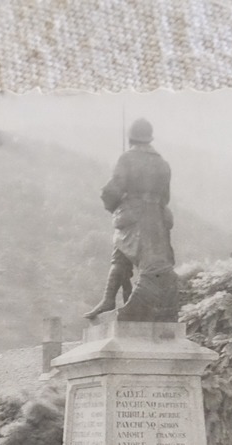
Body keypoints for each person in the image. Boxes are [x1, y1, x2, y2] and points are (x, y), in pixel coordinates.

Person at [83, 117, 175, 320]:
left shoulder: (127, 159)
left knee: (122, 256)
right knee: (129, 256)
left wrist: (111, 203)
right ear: (150, 138)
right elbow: (165, 196)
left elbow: (114, 188)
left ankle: (112, 299)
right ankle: (108, 300)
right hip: (157, 218)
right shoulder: (163, 164)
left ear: (131, 138)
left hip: (132, 214)